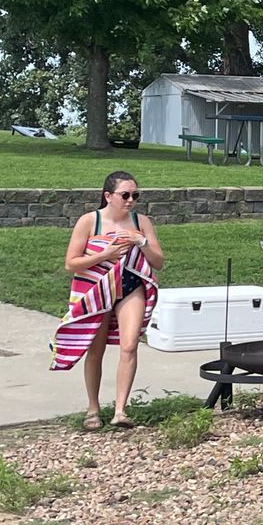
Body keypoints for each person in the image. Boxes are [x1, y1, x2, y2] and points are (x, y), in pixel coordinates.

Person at [53, 171, 164, 430]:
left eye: (135, 195)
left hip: (130, 287)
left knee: (130, 346)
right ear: (108, 196)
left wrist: (141, 241)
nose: (131, 200)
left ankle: (120, 410)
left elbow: (158, 262)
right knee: (96, 349)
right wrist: (105, 254)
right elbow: (71, 263)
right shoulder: (89, 222)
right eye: (125, 195)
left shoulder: (141, 222)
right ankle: (93, 408)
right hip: (97, 290)